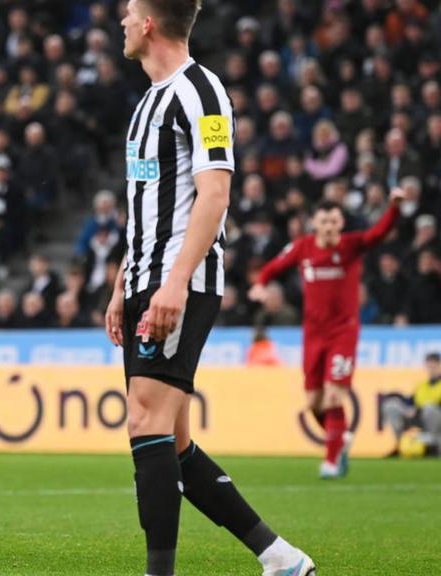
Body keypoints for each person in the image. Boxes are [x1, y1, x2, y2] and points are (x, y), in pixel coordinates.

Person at [105, 3, 314, 576]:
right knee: (172, 443)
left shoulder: (202, 92)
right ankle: (281, 558)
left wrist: (173, 284)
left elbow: (214, 197)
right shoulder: (147, 101)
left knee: (144, 422)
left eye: (128, 12)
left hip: (182, 281)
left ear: (149, 23)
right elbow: (145, 207)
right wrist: (125, 282)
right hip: (148, 279)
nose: (120, 22)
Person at [249, 191, 403, 478]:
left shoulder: (351, 245)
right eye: (324, 221)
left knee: (334, 397)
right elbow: (272, 267)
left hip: (343, 332)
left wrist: (393, 208)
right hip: (313, 335)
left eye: (334, 221)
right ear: (314, 224)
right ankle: (340, 438)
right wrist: (261, 283)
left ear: (341, 222)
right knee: (313, 404)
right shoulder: (303, 247)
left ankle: (331, 461)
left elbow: (380, 234)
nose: (330, 226)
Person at [381, 352, 441, 457]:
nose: (431, 369)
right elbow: (411, 401)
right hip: (419, 417)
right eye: (429, 365)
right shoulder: (421, 385)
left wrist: (419, 410)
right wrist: (409, 408)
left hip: (435, 420)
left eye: (434, 366)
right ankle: (401, 444)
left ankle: (433, 446)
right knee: (391, 406)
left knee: (429, 408)